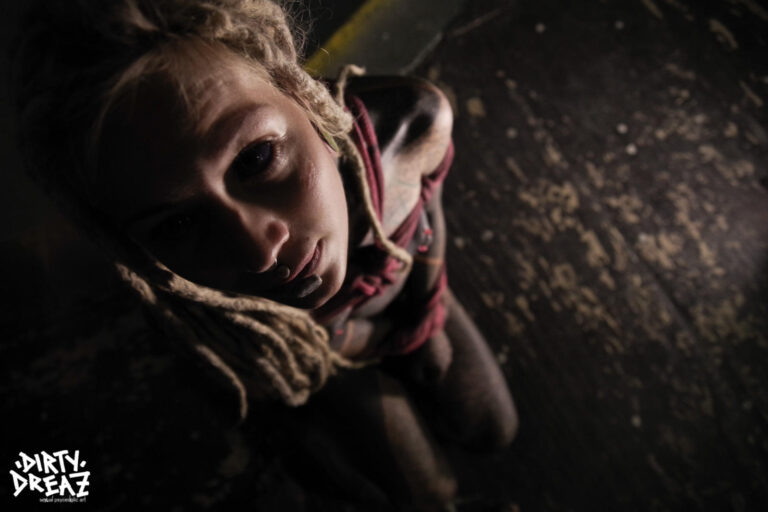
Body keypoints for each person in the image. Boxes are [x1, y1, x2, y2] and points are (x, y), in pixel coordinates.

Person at [12, 0, 517, 508]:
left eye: (255, 158)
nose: (258, 253)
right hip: (329, 364)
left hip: (401, 303)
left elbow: (427, 209)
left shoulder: (410, 123)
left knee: (494, 430)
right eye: (178, 223)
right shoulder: (184, 295)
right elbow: (281, 367)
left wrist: (428, 311)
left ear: (299, 92)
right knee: (431, 496)